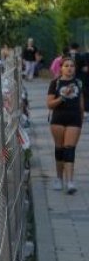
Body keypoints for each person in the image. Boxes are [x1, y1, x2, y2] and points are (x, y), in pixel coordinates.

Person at [48, 56, 84, 193]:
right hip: (58, 120)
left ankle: (70, 182)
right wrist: (63, 97)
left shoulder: (79, 83)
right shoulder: (55, 83)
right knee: (60, 150)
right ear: (61, 68)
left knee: (69, 149)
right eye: (66, 66)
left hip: (74, 120)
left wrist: (80, 121)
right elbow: (49, 104)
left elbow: (81, 105)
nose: (69, 68)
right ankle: (58, 178)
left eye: (72, 66)